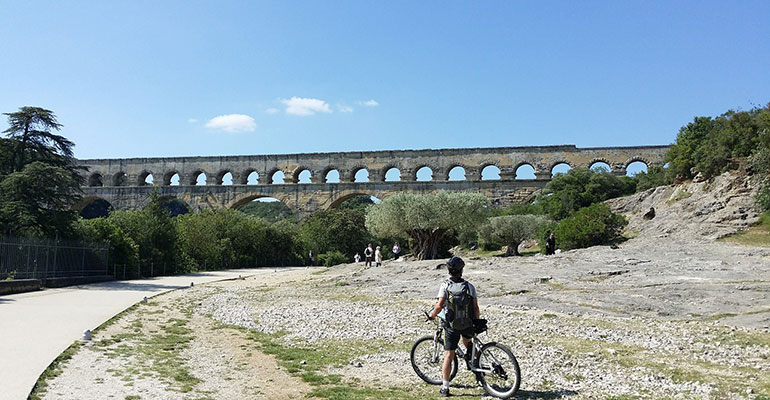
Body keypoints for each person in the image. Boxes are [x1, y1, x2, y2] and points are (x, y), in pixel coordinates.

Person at [428, 256, 480, 397]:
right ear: (461, 270)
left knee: (449, 355)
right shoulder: (469, 286)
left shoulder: (445, 285)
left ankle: (445, 387)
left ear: (449, 270)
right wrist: (476, 321)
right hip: (467, 323)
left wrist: (432, 315)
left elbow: (439, 306)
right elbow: (475, 308)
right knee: (468, 341)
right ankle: (476, 365)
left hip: (451, 325)